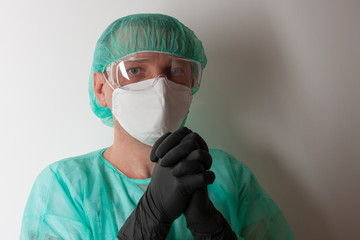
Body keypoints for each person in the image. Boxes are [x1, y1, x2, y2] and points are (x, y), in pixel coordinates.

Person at [20, 13, 295, 239]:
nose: (160, 88)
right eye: (136, 70)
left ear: (191, 85)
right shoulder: (65, 188)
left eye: (175, 70)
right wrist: (151, 216)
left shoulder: (228, 177)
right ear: (101, 88)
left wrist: (211, 228)